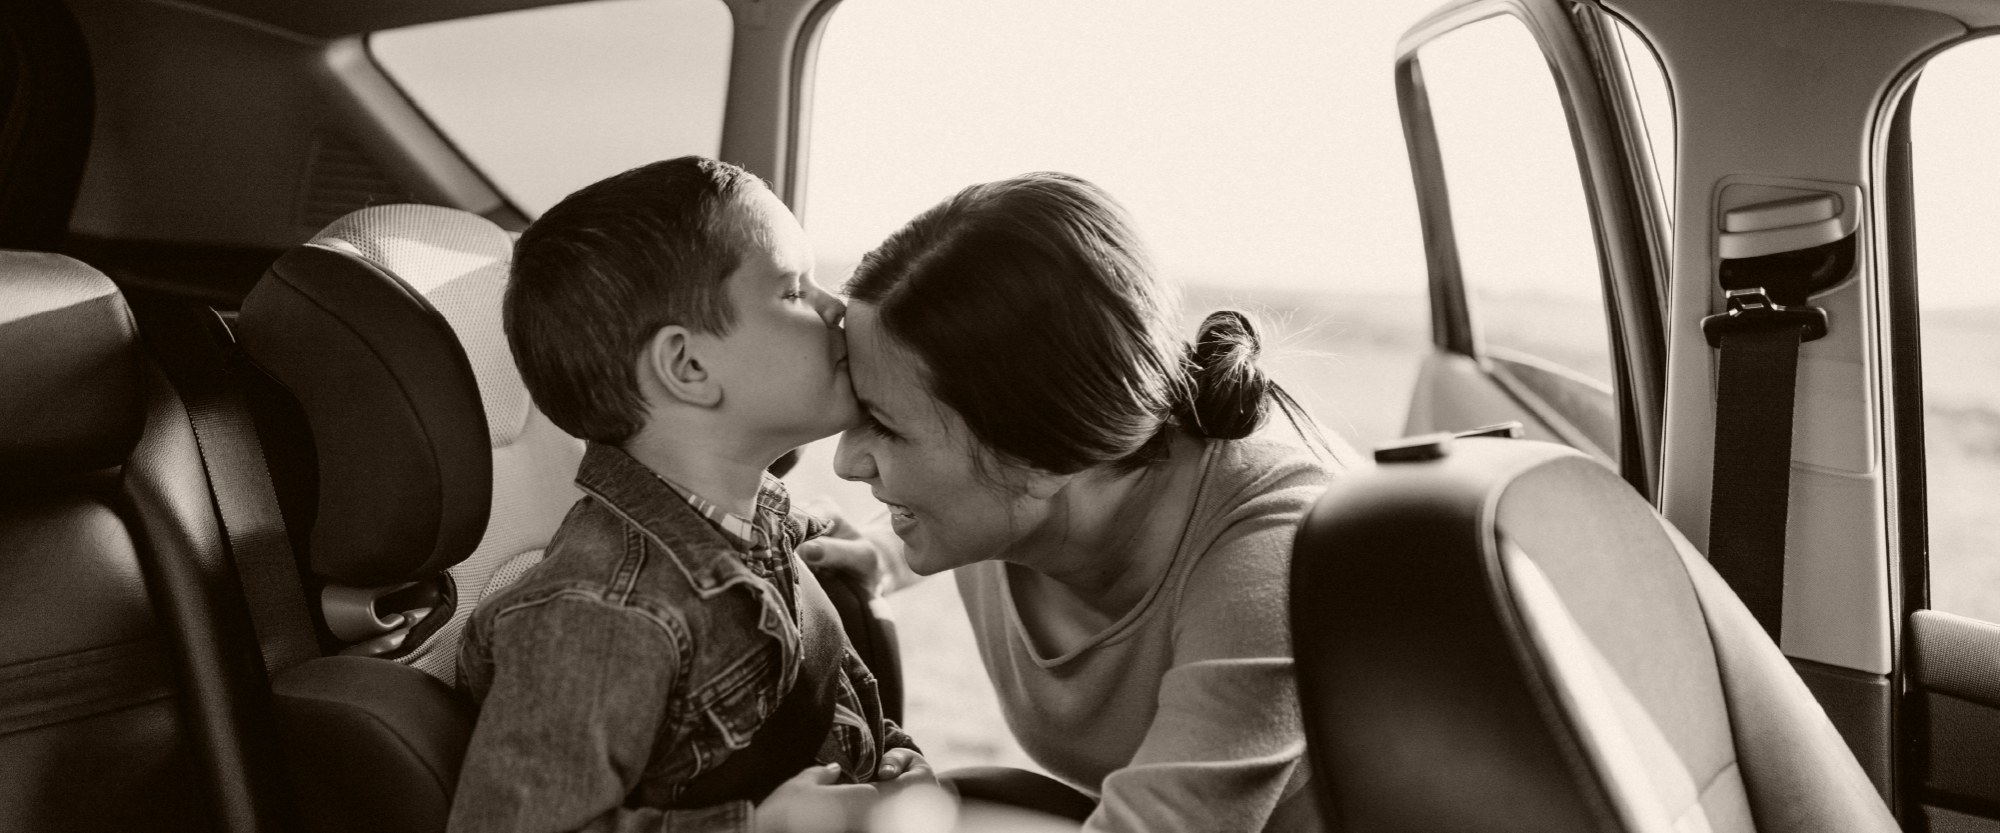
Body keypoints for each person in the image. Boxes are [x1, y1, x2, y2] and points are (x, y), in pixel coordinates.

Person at [814, 171, 1348, 833]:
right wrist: (877, 552)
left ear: (1042, 451)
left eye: (884, 425)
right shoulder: (1009, 492)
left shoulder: (1269, 555)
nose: (844, 460)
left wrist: (872, 824)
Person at [448, 156, 929, 833]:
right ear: (689, 367)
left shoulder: (769, 531)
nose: (837, 308)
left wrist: (900, 765)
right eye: (795, 290)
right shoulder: (601, 617)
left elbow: (843, 710)